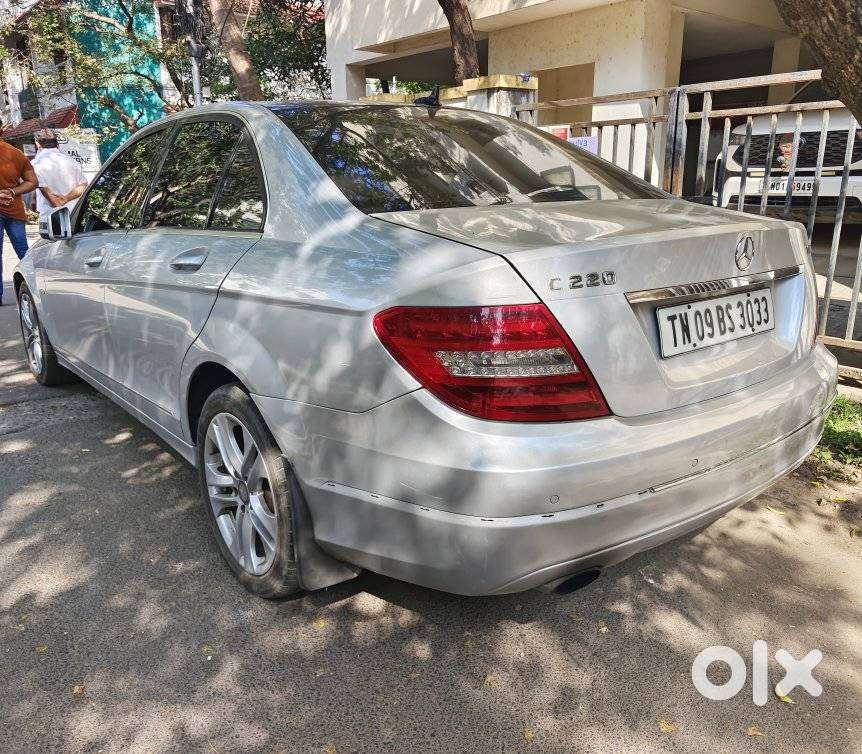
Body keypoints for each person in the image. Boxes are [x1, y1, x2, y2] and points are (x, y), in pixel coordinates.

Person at [0, 119, 39, 306]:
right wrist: (12, 191)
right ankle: (36, 288)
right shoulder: (16, 154)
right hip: (14, 209)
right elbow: (32, 181)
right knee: (23, 250)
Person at [31, 128, 87, 222]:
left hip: (49, 215)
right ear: (58, 144)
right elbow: (83, 185)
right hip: (73, 213)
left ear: (38, 144)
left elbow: (43, 188)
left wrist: (57, 203)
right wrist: (66, 199)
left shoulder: (35, 163)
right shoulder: (72, 161)